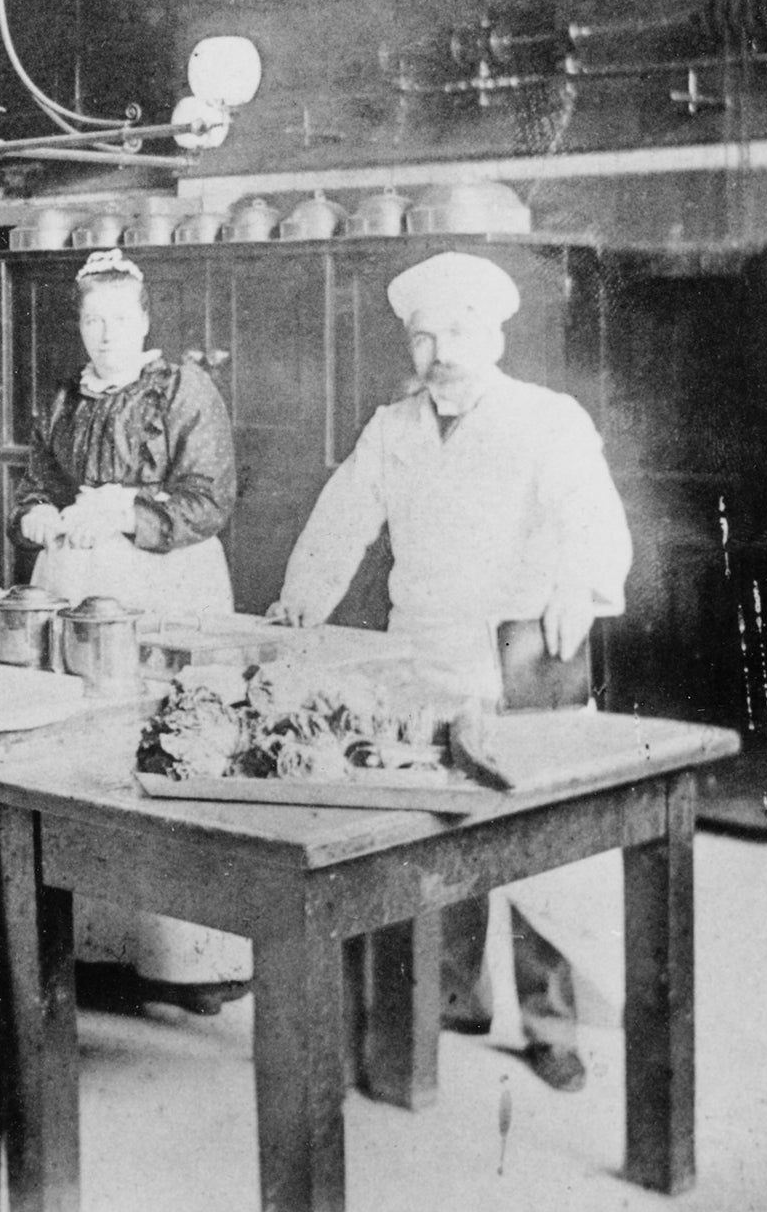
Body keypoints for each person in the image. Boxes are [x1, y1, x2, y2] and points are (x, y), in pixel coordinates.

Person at [270, 250, 633, 1092]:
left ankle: (553, 1024)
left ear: (497, 334)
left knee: (541, 844)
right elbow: (343, 516)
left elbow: (589, 512)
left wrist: (580, 583)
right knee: (431, 829)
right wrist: (302, 598)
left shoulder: (549, 419)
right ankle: (454, 998)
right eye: (424, 336)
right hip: (421, 646)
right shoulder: (393, 428)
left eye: (459, 332)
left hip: (521, 652)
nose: (441, 352)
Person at [11, 247, 251, 1015]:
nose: (106, 334)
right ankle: (95, 948)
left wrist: (126, 513)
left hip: (165, 579)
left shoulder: (183, 389)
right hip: (78, 581)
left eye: (120, 319)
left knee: (176, 744)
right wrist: (39, 516)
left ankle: (190, 961)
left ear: (144, 320)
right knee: (87, 752)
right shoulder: (64, 397)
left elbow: (209, 499)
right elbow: (35, 483)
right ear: (79, 325)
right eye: (92, 320)